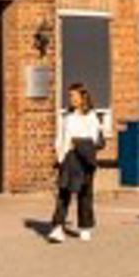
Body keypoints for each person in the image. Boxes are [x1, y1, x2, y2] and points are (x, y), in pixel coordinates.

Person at [49, 83, 103, 243]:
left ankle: (85, 226)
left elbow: (94, 140)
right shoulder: (66, 117)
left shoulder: (91, 116)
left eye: (73, 95)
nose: (71, 99)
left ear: (82, 97)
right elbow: (60, 138)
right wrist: (60, 156)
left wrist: (78, 143)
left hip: (85, 158)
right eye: (70, 96)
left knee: (85, 194)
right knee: (63, 193)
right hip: (69, 158)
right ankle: (58, 227)